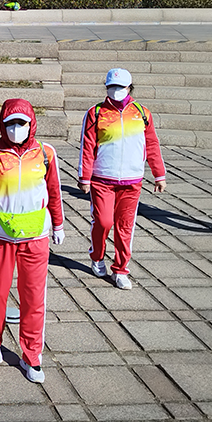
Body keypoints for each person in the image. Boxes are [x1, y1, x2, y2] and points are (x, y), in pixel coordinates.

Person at [0, 99, 65, 384]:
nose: (15, 129)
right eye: (10, 123)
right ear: (2, 123)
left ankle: (32, 356)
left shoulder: (46, 153)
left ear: (31, 124)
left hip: (36, 238)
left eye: (21, 123)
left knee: (34, 300)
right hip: (0, 236)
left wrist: (58, 223)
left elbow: (54, 190)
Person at [77, 68, 166, 289]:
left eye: (121, 87)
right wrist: (84, 177)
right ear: (106, 87)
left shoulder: (142, 112)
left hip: (132, 181)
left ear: (129, 87)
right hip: (102, 179)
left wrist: (159, 174)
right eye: (112, 87)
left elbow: (152, 144)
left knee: (125, 226)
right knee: (104, 221)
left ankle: (120, 269)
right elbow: (87, 147)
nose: (116, 91)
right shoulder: (95, 113)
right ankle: (97, 256)